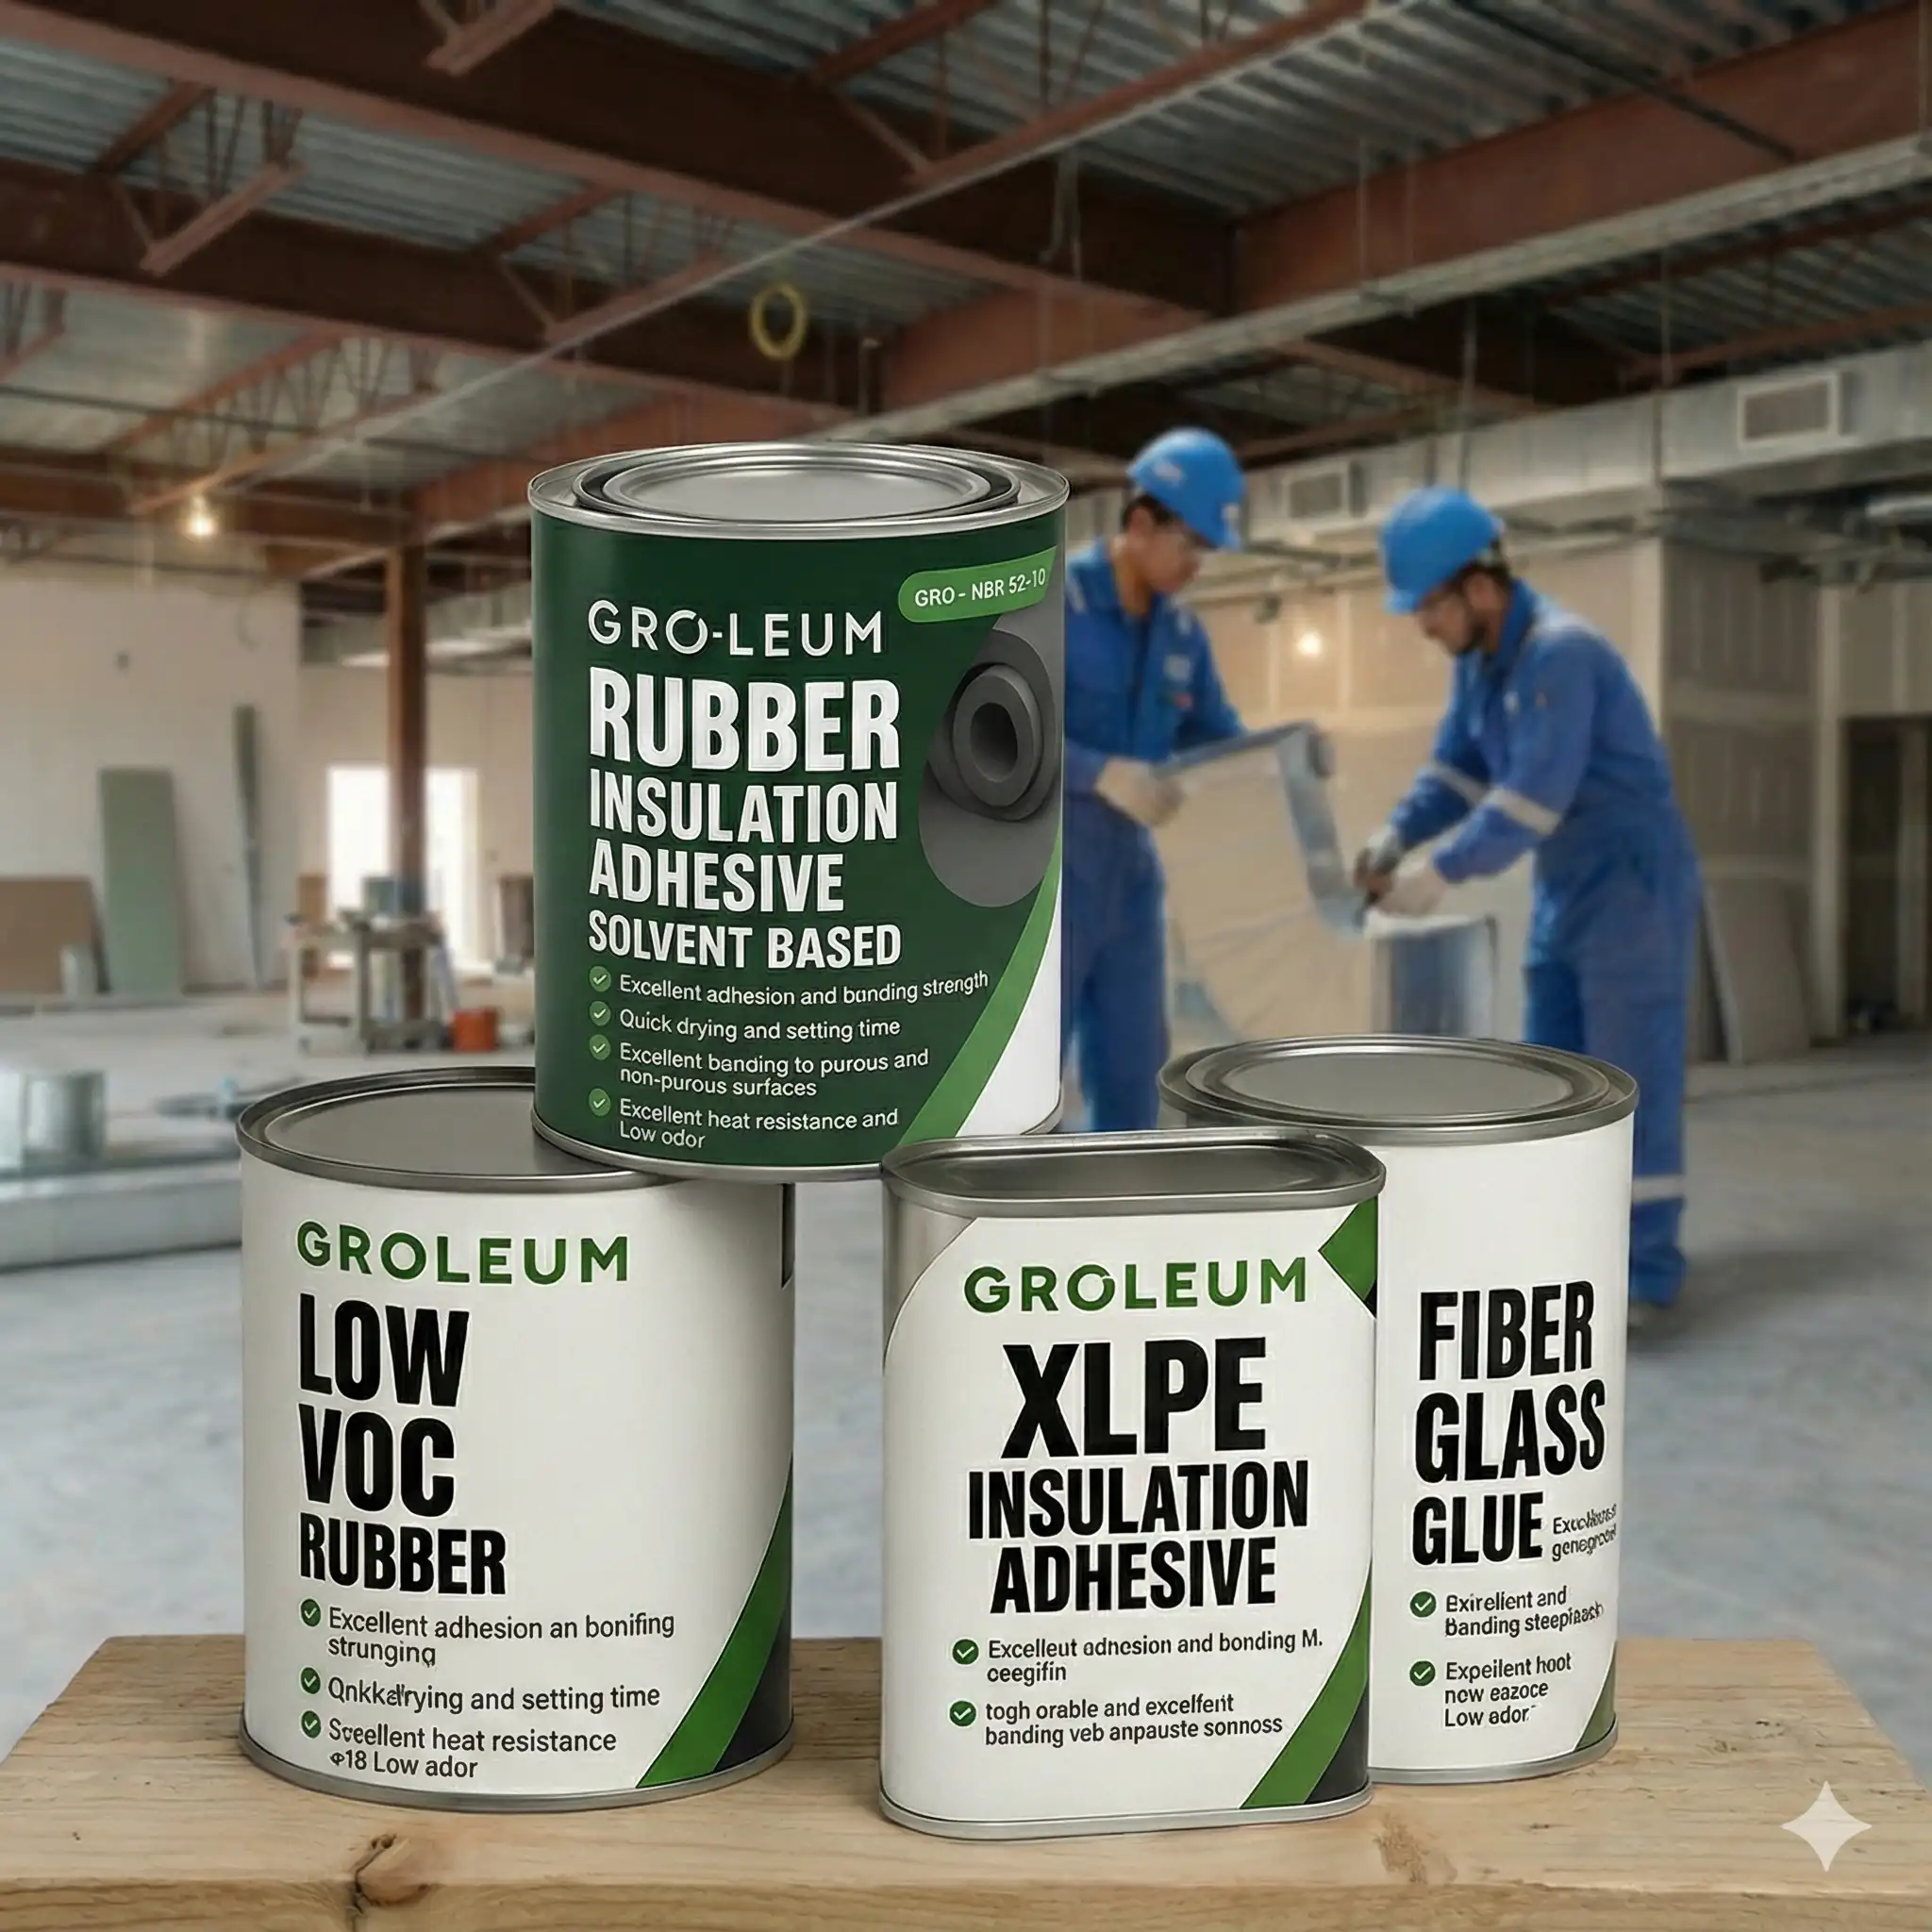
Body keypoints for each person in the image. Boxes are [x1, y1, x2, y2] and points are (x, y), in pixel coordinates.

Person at [1357, 487, 1701, 1322]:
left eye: (1429, 609)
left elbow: (1532, 796)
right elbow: (1456, 772)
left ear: (1479, 588)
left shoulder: (1560, 654)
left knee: (1630, 1079)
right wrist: (1394, 839)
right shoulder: (1484, 667)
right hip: (1566, 887)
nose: (1424, 628)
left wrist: (1438, 876)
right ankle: (1566, 1253)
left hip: (1631, 886)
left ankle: (1646, 1272)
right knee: (1554, 1077)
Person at [1062, 427, 1246, 1131]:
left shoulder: (1181, 635)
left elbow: (1219, 736)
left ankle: (1116, 1230)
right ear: (1141, 524)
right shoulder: (1051, 605)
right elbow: (988, 738)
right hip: (1042, 890)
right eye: (1191, 544)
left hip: (1131, 886)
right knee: (1024, 1086)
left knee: (1134, 1078)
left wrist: (1285, 754)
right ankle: (1007, 1234)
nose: (1197, 564)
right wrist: (1096, 771)